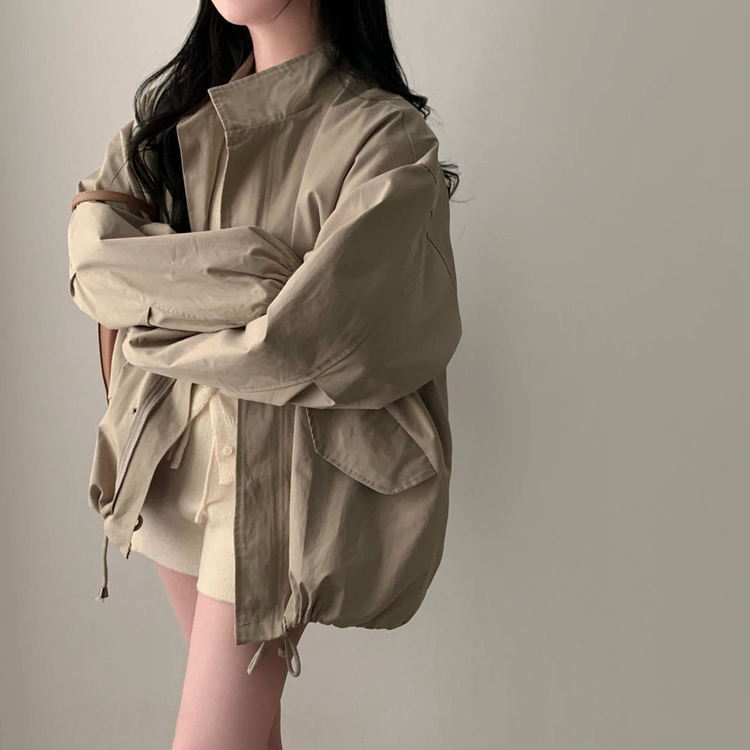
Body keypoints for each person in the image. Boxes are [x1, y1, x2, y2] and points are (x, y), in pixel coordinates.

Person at [68, 1, 461, 748]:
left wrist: (165, 310)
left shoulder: (386, 140)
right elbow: (94, 261)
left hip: (277, 494)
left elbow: (313, 337)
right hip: (169, 463)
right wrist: (265, 276)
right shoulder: (174, 117)